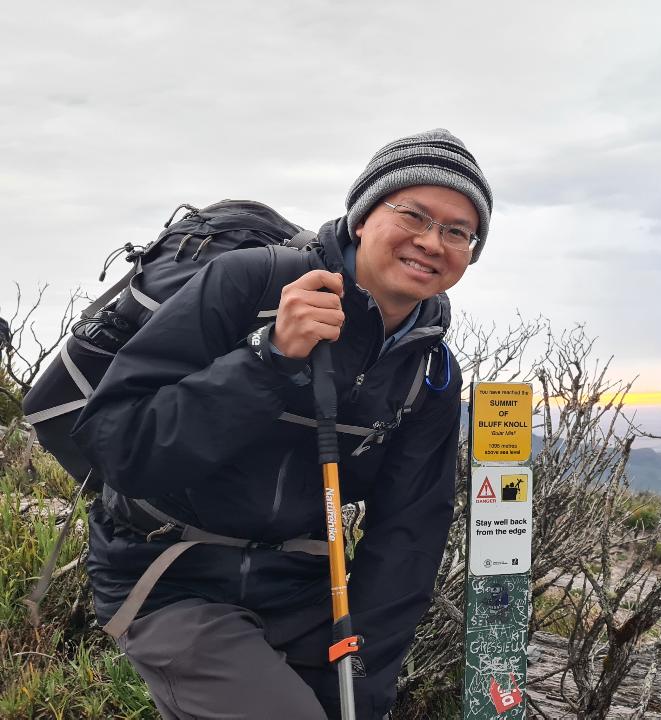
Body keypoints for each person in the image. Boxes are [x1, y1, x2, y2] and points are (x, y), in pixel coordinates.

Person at [71, 129, 492, 719]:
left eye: (458, 231)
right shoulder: (248, 286)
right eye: (413, 214)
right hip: (169, 572)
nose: (431, 241)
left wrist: (367, 671)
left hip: (305, 586)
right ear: (364, 215)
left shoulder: (430, 370)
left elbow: (411, 532)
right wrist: (265, 360)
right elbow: (121, 447)